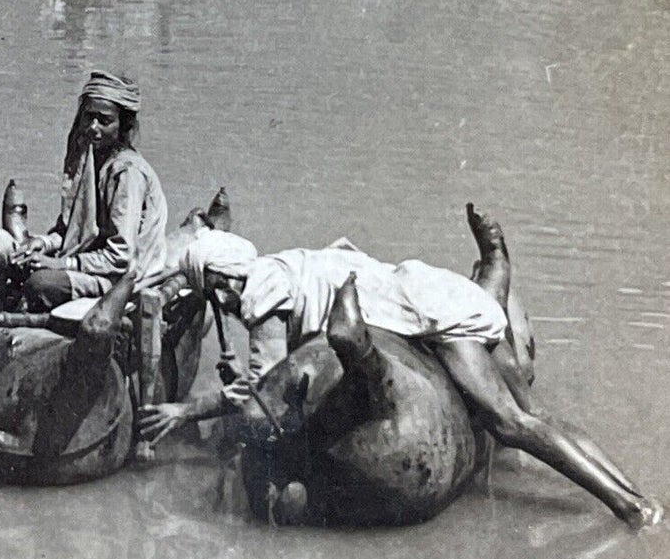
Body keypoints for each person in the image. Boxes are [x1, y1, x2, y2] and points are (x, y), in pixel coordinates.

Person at [136, 207, 662, 527]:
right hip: (422, 289)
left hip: (430, 312)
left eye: (212, 294)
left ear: (222, 285)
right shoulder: (282, 264)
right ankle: (632, 492)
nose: (221, 307)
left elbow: (261, 393)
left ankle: (626, 505)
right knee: (534, 414)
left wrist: (188, 410)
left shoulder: (261, 298)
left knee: (511, 424)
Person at [0, 71, 168, 312]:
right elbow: (74, 229)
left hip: (123, 277)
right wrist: (43, 243)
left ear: (124, 125)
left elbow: (120, 256)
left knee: (40, 283)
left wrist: (60, 263)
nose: (93, 127)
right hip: (95, 263)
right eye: (89, 117)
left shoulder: (127, 172)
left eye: (104, 120)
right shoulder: (92, 161)